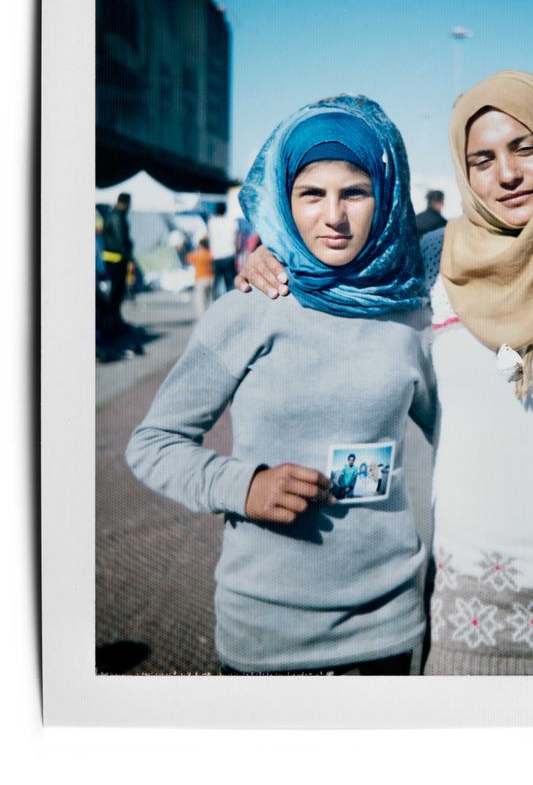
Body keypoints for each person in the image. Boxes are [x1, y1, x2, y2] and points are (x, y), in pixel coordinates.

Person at [239, 71, 533, 676]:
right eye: (483, 160)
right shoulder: (433, 263)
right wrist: (276, 257)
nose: (507, 174)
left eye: (525, 148)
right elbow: (341, 275)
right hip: (463, 598)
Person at [126, 95, 436, 676]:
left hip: (386, 628)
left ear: (387, 196)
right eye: (312, 194)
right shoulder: (252, 305)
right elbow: (152, 443)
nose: (334, 216)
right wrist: (243, 486)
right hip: (266, 634)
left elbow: (459, 441)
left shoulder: (410, 314)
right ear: (284, 200)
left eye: (355, 193)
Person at [101, 192, 134, 334]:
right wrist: (129, 257)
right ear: (125, 203)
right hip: (117, 259)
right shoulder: (117, 216)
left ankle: (115, 320)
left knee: (116, 291)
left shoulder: (113, 214)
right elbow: (121, 239)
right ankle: (112, 322)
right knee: (117, 291)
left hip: (113, 258)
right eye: (129, 203)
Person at [207, 201, 240, 297]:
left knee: (217, 283)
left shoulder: (211, 223)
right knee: (230, 283)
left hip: (216, 256)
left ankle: (216, 302)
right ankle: (232, 301)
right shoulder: (232, 222)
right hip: (229, 255)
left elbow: (208, 238)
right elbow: (237, 241)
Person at [185, 237, 215, 319]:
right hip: (211, 279)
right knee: (210, 299)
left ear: (200, 246)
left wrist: (196, 249)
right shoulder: (211, 254)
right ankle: (211, 316)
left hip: (201, 280)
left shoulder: (198, 255)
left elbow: (187, 257)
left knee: (201, 300)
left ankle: (203, 318)